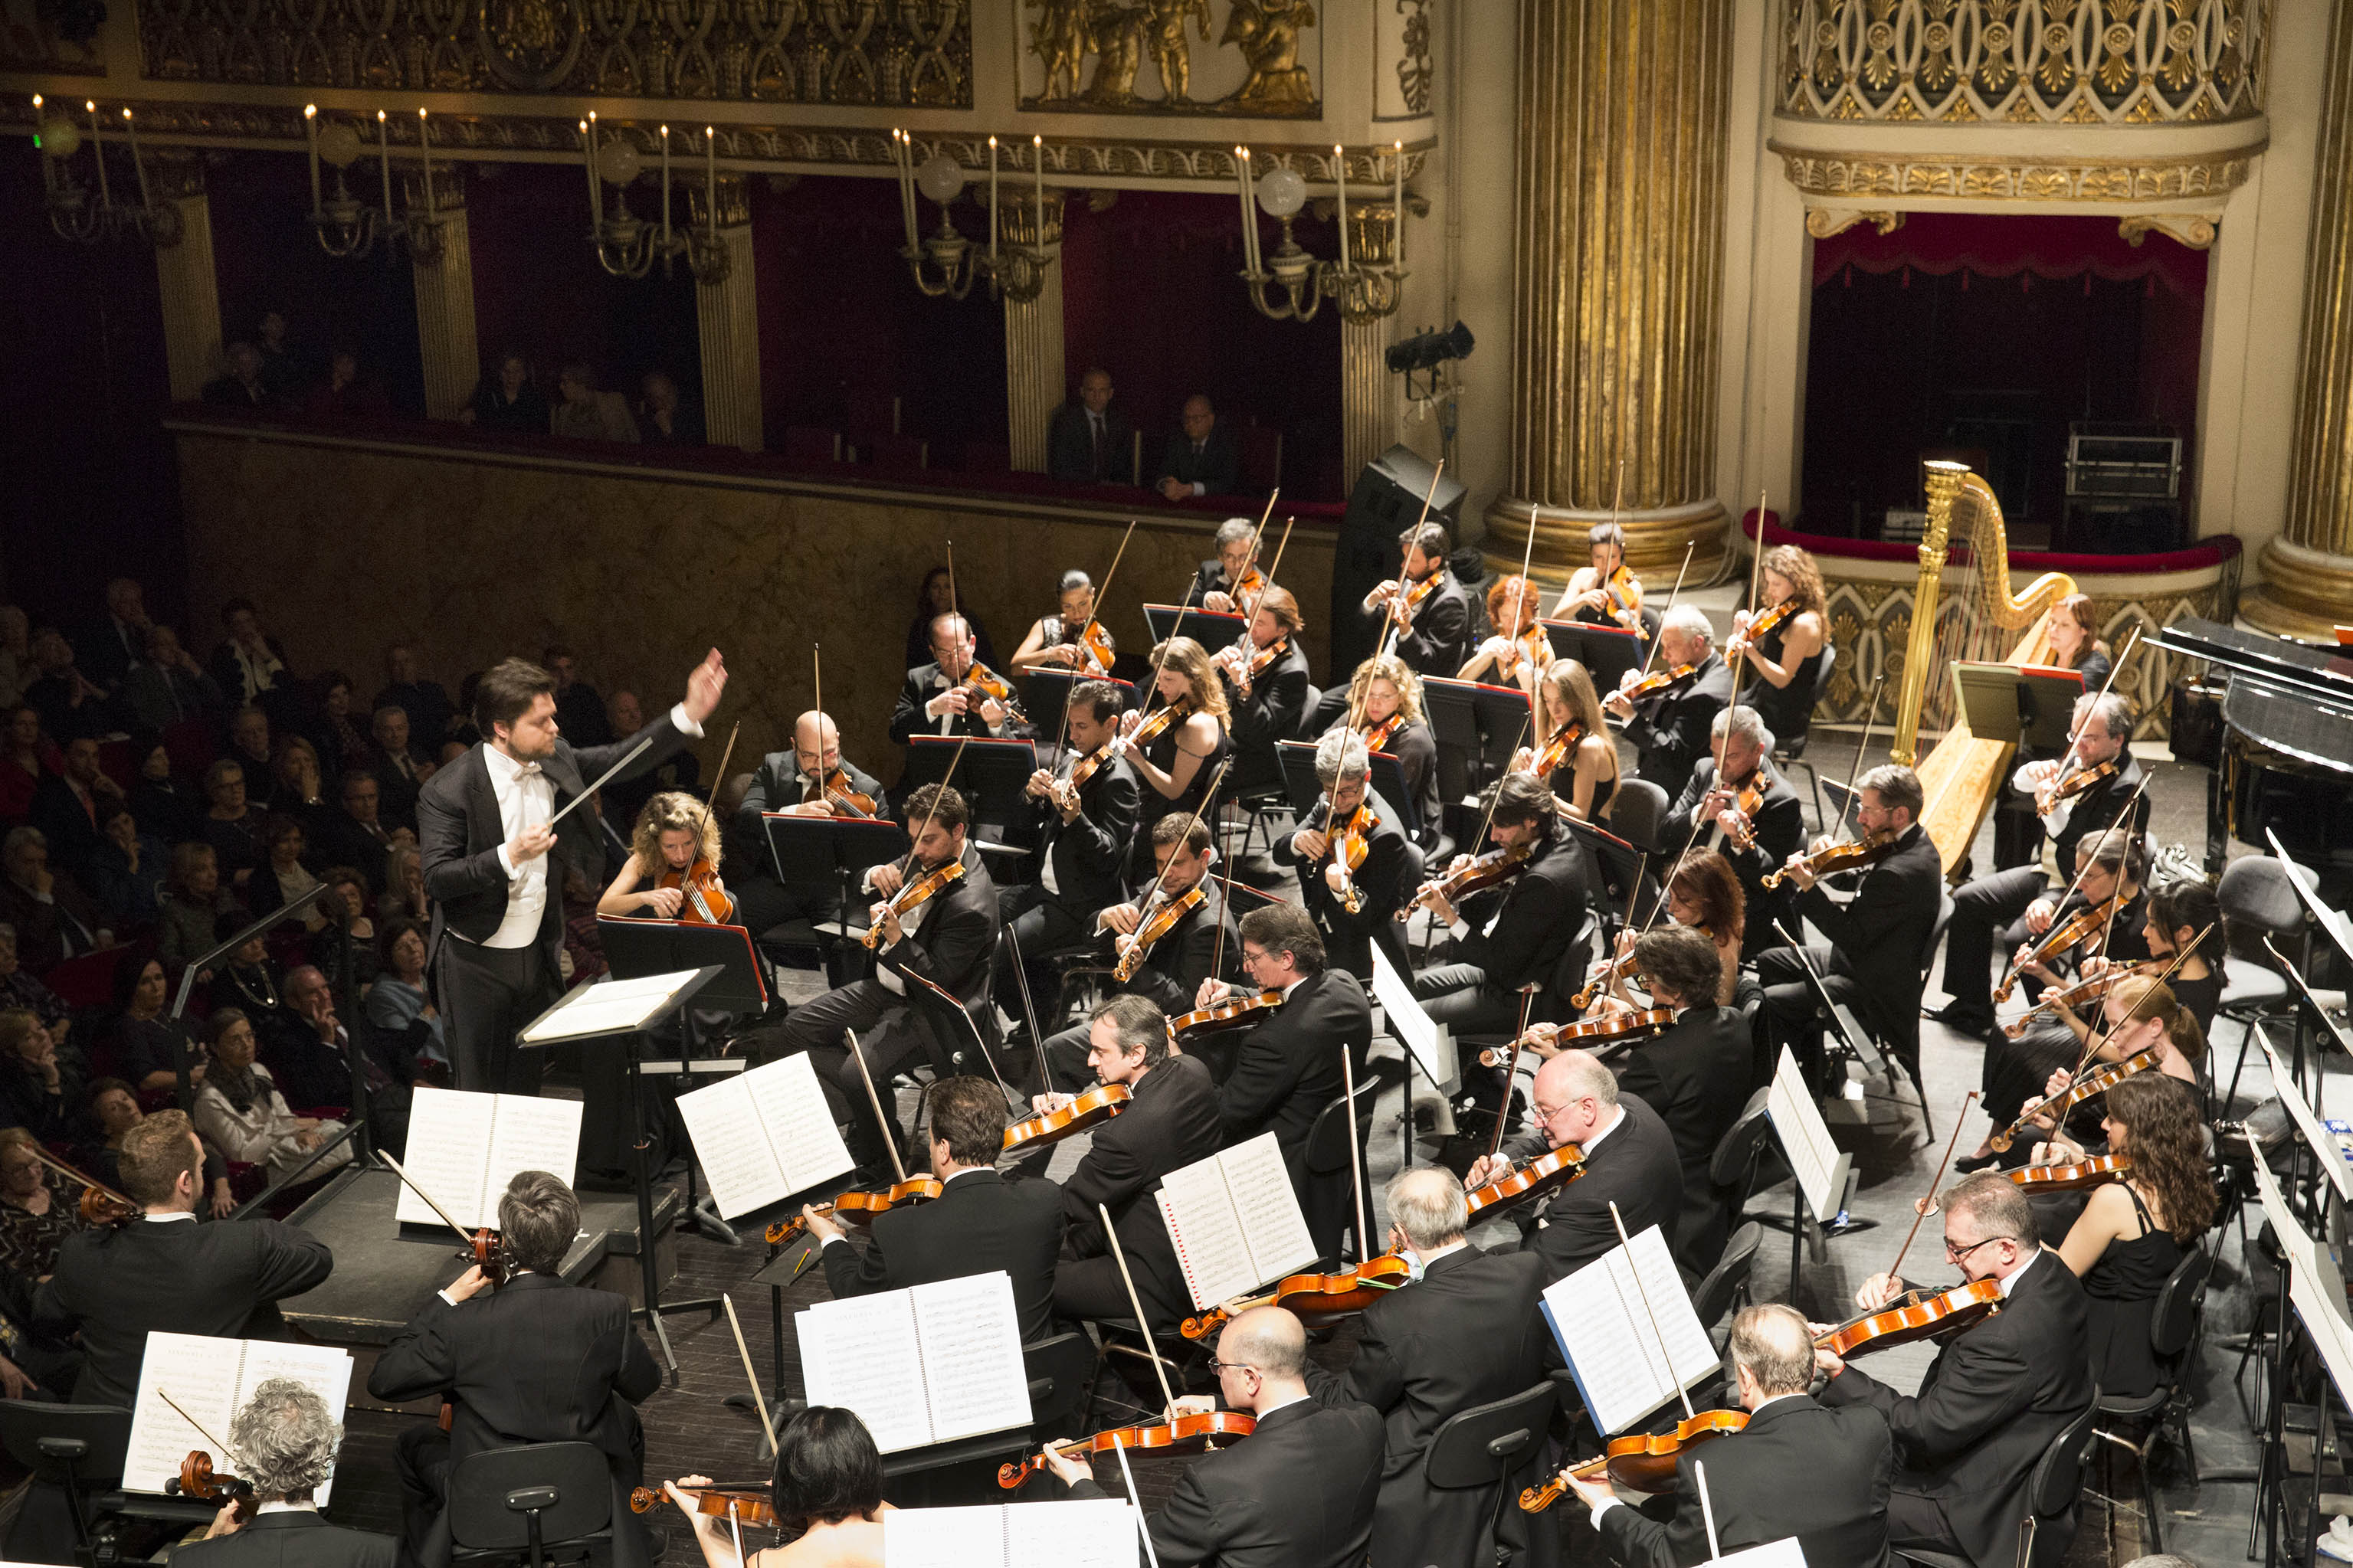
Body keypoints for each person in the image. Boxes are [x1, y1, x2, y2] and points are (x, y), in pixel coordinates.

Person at [419, 650, 723, 1095]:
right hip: (474, 959)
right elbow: (438, 877)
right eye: (541, 721)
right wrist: (510, 855)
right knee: (478, 1089)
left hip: (536, 951)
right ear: (502, 729)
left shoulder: (555, 755)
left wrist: (687, 713)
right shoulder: (448, 790)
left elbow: (621, 758)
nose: (555, 729)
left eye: (553, 717)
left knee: (527, 1080)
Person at [369, 1170, 663, 1568]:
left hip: (490, 1495)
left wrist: (447, 1299)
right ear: (573, 1235)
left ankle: (429, 1554)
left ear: (505, 1241)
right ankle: (635, 1527)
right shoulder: (608, 1310)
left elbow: (385, 1379)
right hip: (580, 1488)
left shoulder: (463, 1324)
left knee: (411, 1446)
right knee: (624, 1419)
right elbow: (645, 1383)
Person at [1815, 1172, 2093, 1566]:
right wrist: (1903, 1294)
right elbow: (1969, 1308)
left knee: (1830, 1503)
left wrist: (1840, 1375)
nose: (1949, 1258)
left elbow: (1927, 1428)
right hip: (2007, 1454)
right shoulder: (2052, 1272)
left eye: (1958, 1248)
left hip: (1974, 1505)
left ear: (2006, 1249)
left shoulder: (2004, 1341)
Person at [1305, 1167, 1549, 1568]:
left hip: (1427, 1471)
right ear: (1462, 1213)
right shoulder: (1526, 1270)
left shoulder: (1394, 1315)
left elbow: (1349, 1404)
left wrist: (1294, 1356)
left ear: (1399, 1234)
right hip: (1514, 1447)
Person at [762, 783, 998, 1175]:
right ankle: (871, 1118)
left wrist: (895, 939)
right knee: (796, 1028)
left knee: (860, 1073)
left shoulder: (971, 903)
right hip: (886, 988)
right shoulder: (927, 857)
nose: (917, 851)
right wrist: (874, 873)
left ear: (959, 832)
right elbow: (871, 877)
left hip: (933, 1013)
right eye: (913, 839)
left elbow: (937, 981)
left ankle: (882, 1156)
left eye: (929, 840)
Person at [36, 1109, 333, 1409]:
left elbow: (46, 1317)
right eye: (202, 1166)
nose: (204, 1173)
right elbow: (317, 1258)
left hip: (113, 1430)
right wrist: (264, 1230)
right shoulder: (239, 1247)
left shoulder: (81, 1253)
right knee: (255, 1312)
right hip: (208, 1422)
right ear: (185, 1182)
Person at [1561, 1302, 1895, 1568]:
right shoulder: (1869, 1428)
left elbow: (1664, 1557)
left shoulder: (1708, 1468)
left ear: (1746, 1379)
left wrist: (1605, 1505)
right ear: (1811, 1369)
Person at [1048, 1305, 1384, 1567]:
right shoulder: (1366, 1424)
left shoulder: (1217, 1480)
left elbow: (1143, 1551)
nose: (1217, 1373)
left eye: (1220, 1366)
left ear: (1251, 1379)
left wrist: (1082, 1483)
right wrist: (1219, 1404)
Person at [1932, 693, 2148, 1036]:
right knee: (1969, 900)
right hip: (2046, 871)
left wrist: (2050, 809)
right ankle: (1971, 1008)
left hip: (2081, 885)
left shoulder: (2128, 789)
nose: (2079, 747)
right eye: (2074, 735)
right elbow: (2019, 785)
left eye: (2089, 739)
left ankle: (2049, 1024)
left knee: (2023, 939)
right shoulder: (2082, 760)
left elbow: (2088, 855)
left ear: (2118, 739)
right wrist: (2031, 772)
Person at [803, 1075, 1064, 1342]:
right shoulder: (1045, 1199)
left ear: (944, 1150)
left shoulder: (898, 1229)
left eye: (930, 1140)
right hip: (1036, 1371)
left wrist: (831, 1238)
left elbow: (854, 1296)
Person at [1958, 830, 2152, 1167]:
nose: (2079, 886)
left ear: (2120, 874)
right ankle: (1999, 1129)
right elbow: (2081, 991)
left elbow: (2110, 1010)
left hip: (2112, 1033)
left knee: (2023, 1049)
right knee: (2005, 1031)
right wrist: (2041, 971)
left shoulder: (2142, 929)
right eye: (2077, 875)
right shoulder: (2087, 906)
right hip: (2081, 1010)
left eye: (2089, 876)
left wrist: (2071, 1000)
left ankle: (2004, 1142)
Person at [1036, 995, 1223, 1332]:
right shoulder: (1193, 1071)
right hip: (1204, 1255)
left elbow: (1069, 1204)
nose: (1091, 1061)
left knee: (1030, 1280)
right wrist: (1078, 1105)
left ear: (1137, 1053)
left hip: (1152, 1280)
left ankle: (1099, 1377)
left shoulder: (1121, 1140)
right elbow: (1147, 1116)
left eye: (1101, 1052)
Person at [1755, 764, 1942, 1094]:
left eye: (1868, 810)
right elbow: (1862, 882)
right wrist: (1826, 861)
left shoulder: (1900, 872)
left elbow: (1849, 935)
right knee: (1772, 960)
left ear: (1899, 814)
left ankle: (1791, 1088)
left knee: (1772, 1002)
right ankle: (1807, 1060)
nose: (1859, 819)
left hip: (1872, 988)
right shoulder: (1913, 841)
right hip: (1870, 959)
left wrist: (1808, 889)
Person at [2031, 1073, 2216, 1399]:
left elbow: (2057, 1273)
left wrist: (2010, 1219)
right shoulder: (2186, 1181)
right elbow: (2120, 1171)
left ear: (2140, 1132)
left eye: (2113, 1119)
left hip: (2099, 1359)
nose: (2103, 1126)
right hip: (2143, 1352)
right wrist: (2077, 1155)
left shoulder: (2115, 1200)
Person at [1025, 813, 1237, 1095]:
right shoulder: (1157, 889)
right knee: (1053, 1051)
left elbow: (1186, 1005)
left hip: (1172, 1035)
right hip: (1135, 1017)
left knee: (1058, 1052)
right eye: (1161, 863)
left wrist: (1141, 971)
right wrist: (1107, 916)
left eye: (1177, 863)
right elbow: (1091, 936)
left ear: (1204, 857)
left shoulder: (1211, 925)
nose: (1167, 874)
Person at [1409, 771, 1590, 1091]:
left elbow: (1499, 964)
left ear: (1532, 820)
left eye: (1501, 826)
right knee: (1415, 989)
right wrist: (1470, 881)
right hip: (1518, 968)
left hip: (1521, 994)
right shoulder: (1562, 841)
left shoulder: (1544, 881)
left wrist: (1449, 915)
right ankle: (1479, 1078)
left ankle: (1474, 1094)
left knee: (1412, 1020)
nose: (1493, 837)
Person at [1463, 1049, 1681, 1286]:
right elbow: (1545, 1143)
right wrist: (1503, 1161)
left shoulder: (1594, 1197)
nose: (1537, 1123)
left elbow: (1537, 1276)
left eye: (1546, 1112)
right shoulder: (1629, 1105)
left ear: (1587, 1109)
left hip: (1590, 1284)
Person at [1191, 904, 1369, 1187]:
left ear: (1286, 959)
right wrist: (1234, 992)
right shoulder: (1345, 984)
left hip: (1283, 1165)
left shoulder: (1273, 1042)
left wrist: (1182, 1064)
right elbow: (1289, 1000)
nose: (1247, 968)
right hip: (1336, 1150)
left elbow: (1224, 1114)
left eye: (1252, 957)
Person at [995, 682, 1138, 1033]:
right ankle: (1038, 1007)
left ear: (1111, 724)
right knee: (974, 922)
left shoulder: (1118, 781)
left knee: (1001, 947)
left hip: (1080, 905)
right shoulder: (1072, 765)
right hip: (1043, 891)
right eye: (1070, 725)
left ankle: (1037, 1014)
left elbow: (1106, 855)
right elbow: (1024, 832)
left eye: (1082, 727)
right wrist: (1030, 796)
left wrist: (1076, 818)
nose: (1073, 735)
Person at [1609, 927, 1754, 1270]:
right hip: (1714, 1181)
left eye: (1648, 982)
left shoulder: (1657, 1061)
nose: (1647, 987)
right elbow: (1680, 1049)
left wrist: (1560, 1057)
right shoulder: (1734, 1022)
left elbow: (1610, 1120)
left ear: (1673, 992)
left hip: (1668, 1191)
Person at [172, 1377, 399, 1566]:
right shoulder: (381, 1555)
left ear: (249, 1459)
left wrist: (211, 1542)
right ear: (324, 1455)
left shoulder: (189, 1560)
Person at [727, 710, 887, 943]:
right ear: (794, 746)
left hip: (836, 890)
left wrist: (868, 841)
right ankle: (761, 982)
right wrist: (793, 812)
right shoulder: (773, 767)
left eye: (829, 753)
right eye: (810, 756)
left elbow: (882, 859)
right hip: (781, 884)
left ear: (838, 741)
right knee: (725, 916)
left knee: (849, 939)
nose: (821, 764)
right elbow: (746, 818)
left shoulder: (867, 789)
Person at [1659, 705, 1803, 959]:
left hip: (1737, 909)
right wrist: (1698, 815)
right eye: (1716, 754)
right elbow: (1665, 833)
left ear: (1758, 749)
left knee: (1672, 952)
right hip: (1688, 893)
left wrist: (1740, 842)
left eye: (1732, 757)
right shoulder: (1705, 771)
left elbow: (1771, 878)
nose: (1721, 767)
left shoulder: (1780, 800)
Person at [664, 1406, 889, 1568]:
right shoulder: (912, 1535)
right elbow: (904, 1517)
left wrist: (703, 1522)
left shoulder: (767, 1563)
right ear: (868, 1469)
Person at [1273, 730, 1411, 978]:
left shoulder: (1387, 836)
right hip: (1320, 926)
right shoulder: (1327, 803)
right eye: (1330, 790)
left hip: (1361, 944)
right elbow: (1279, 854)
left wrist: (1340, 890)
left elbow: (1368, 916)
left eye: (1346, 791)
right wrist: (1297, 840)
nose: (1337, 801)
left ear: (1366, 777)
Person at [1994, 594, 2116, 869]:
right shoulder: (2050, 658)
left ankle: (2037, 865)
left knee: (2020, 792)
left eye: (2063, 625)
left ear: (2084, 630)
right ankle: (2007, 870)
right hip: (2041, 747)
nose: (2053, 630)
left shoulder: (2093, 668)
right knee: (2006, 793)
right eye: (2052, 623)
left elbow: (2071, 726)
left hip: (2072, 755)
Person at [192, 1008, 352, 1181]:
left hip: (284, 1141)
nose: (246, 1045)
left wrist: (300, 1131)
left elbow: (284, 1117)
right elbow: (242, 1153)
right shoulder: (209, 1099)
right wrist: (295, 1131)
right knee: (322, 1148)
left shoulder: (258, 1070)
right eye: (235, 1040)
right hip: (265, 1162)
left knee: (338, 1131)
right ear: (216, 1048)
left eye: (249, 1036)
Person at [1118, 634, 1231, 854]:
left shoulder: (1197, 725)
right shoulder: (1181, 707)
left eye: (1168, 679)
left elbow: (1174, 789)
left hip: (1171, 827)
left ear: (1194, 677)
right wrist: (1133, 729)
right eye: (1159, 679)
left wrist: (1139, 760)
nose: (1160, 687)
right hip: (1155, 807)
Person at [1606, 605, 1733, 793]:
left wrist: (1630, 716)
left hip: (1675, 786)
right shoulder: (1708, 666)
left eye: (1670, 647)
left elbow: (1673, 753)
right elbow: (1665, 706)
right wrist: (1637, 689)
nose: (1665, 656)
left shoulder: (1706, 695)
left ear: (1697, 643)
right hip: (1658, 769)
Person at [1725, 545, 1830, 753]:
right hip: (1766, 696)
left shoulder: (1804, 623)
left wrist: (1751, 653)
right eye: (1768, 582)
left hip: (1783, 711)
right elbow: (1752, 644)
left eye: (1777, 584)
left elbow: (1782, 679)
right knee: (1713, 704)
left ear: (1797, 583)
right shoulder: (1781, 611)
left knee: (1717, 715)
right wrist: (1740, 629)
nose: (1770, 590)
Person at [1323, 653, 1439, 838]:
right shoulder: (1357, 717)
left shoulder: (1415, 739)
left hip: (1404, 826)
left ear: (1401, 697)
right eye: (1369, 694)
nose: (1375, 703)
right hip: (1352, 809)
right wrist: (1329, 742)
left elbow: (1393, 799)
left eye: (1385, 696)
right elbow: (1319, 760)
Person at [83, 1081, 235, 1217]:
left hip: (209, 1209)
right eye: (114, 1108)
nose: (128, 1106)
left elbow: (209, 1156)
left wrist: (222, 1191)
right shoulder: (110, 1161)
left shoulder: (156, 1132)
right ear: (105, 1127)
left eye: (125, 1098)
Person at [1217, 584, 1309, 797]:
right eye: (1251, 618)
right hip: (1229, 735)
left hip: (1256, 757)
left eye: (1259, 623)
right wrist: (1216, 663)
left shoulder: (1293, 672)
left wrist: (1245, 692)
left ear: (1283, 629)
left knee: (1200, 775)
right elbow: (1220, 689)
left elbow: (1263, 731)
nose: (1250, 629)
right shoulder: (1247, 641)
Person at [1361, 522, 1473, 679]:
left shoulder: (1451, 603)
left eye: (1412, 560)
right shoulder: (1411, 580)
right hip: (1378, 674)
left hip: (1409, 687)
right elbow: (1366, 631)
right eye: (1404, 557)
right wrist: (1372, 601)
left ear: (1434, 562)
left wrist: (1405, 629)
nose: (1403, 565)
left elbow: (1432, 665)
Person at [597, 790, 729, 922]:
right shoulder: (642, 861)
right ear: (654, 842)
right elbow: (603, 908)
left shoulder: (710, 879)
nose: (680, 855)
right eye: (670, 846)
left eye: (688, 843)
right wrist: (644, 897)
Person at [1515, 657, 1618, 823]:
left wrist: (1541, 792)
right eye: (1548, 701)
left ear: (1579, 698)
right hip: (1560, 831)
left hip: (1586, 841)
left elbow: (1580, 815)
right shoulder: (1562, 731)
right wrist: (1520, 762)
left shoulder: (1589, 746)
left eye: (1561, 701)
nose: (1554, 710)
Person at [890, 613, 1011, 743]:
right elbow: (897, 734)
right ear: (933, 651)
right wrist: (932, 708)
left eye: (959, 650)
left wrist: (996, 725)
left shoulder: (1002, 689)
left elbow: (1017, 754)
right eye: (944, 652)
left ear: (972, 644)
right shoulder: (917, 679)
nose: (953, 660)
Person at [0, 825, 109, 971]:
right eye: (28, 862)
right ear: (10, 860)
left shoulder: (58, 877)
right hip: (54, 968)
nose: (37, 869)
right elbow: (31, 940)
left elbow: (96, 908)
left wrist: (104, 931)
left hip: (95, 952)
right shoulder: (6, 896)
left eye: (41, 862)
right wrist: (44, 896)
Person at [31, 735, 123, 879]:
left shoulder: (100, 794)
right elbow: (55, 850)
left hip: (108, 868)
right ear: (66, 760)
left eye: (95, 756)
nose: (91, 763)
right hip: (77, 876)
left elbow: (125, 826)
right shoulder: (50, 797)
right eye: (82, 755)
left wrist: (117, 792)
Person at [0, 1127, 87, 1281]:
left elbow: (98, 1226)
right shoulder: (5, 1220)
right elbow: (31, 1279)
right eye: (18, 1169)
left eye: (33, 1162)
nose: (32, 1173)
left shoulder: (59, 1183)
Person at [366, 918, 446, 1073]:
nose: (412, 949)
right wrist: (430, 1007)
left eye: (415, 941)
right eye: (401, 947)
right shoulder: (383, 994)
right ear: (389, 956)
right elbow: (404, 1048)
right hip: (426, 1074)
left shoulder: (428, 978)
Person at [0, 1007, 87, 1141]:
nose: (43, 1036)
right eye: (28, 1037)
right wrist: (52, 1080)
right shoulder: (12, 1088)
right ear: (11, 1052)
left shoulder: (70, 1054)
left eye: (40, 1028)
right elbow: (49, 1133)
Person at [1457, 573, 1549, 696]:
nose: (1511, 623)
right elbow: (1459, 684)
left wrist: (1529, 681)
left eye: (1519, 616)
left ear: (1530, 614)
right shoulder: (1494, 644)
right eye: (1505, 615)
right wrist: (1486, 655)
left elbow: (1543, 705)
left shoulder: (1542, 646)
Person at [1008, 569, 1116, 675]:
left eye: (1082, 604)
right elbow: (1015, 668)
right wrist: (1049, 654)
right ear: (1059, 602)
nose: (1077, 613)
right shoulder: (1046, 625)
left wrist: (1090, 678)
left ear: (1092, 594)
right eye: (1068, 606)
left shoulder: (1104, 641)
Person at [119, 624, 223, 731]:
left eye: (174, 643)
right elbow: (139, 715)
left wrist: (193, 667)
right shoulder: (141, 676)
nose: (173, 649)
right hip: (164, 738)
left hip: (194, 734)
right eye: (165, 644)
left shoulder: (186, 671)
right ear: (151, 652)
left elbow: (216, 697)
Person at [1047, 366, 1136, 486]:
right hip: (1076, 492)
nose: (1097, 396)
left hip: (1113, 494)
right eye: (1091, 390)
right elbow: (1060, 468)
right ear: (1082, 392)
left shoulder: (1119, 422)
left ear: (1110, 393)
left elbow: (1125, 467)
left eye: (1102, 391)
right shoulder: (1066, 422)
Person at [900, 567, 998, 675]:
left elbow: (986, 657)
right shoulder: (920, 625)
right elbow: (914, 663)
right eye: (936, 587)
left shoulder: (969, 620)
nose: (941, 592)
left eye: (947, 587)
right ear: (928, 592)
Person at [1552, 521, 1644, 629]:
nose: (1605, 564)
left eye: (1612, 557)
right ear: (1591, 553)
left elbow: (1637, 637)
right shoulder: (1582, 576)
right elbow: (1554, 620)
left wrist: (1627, 624)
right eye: (1599, 557)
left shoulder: (1633, 587)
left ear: (1622, 551)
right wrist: (1581, 600)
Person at [87, 804, 165, 928]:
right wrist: (132, 866)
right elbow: (118, 906)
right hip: (142, 925)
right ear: (105, 833)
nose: (125, 830)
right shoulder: (101, 862)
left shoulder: (151, 843)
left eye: (126, 821)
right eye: (115, 827)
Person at [1155, 393, 1241, 500]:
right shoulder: (1177, 440)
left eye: (1196, 419)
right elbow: (1161, 474)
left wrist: (1192, 489)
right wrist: (1166, 485)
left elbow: (1227, 483)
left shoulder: (1226, 442)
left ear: (1211, 419)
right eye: (1187, 418)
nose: (1190, 423)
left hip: (1216, 507)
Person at [208, 602, 290, 712]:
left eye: (248, 621)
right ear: (231, 628)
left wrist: (265, 653)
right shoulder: (224, 653)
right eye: (238, 623)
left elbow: (286, 682)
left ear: (255, 622)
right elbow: (222, 691)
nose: (245, 627)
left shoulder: (271, 645)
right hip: (242, 711)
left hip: (275, 706)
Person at [375, 645, 455, 757]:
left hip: (448, 739)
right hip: (419, 750)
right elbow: (410, 732)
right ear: (390, 669)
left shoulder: (433, 689)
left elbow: (451, 714)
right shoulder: (386, 699)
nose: (403, 668)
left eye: (406, 662)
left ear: (414, 664)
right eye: (397, 664)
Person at [77, 578, 151, 695]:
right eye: (128, 602)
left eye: (137, 602)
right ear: (113, 604)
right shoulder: (98, 631)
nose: (135, 608)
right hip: (118, 691)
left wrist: (149, 631)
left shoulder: (143, 629)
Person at [460, 350, 549, 432]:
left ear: (524, 375)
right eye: (506, 371)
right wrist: (469, 413)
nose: (511, 376)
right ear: (499, 373)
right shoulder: (487, 396)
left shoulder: (535, 400)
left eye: (516, 371)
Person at [1188, 516, 1263, 612]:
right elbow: (1183, 603)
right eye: (1230, 556)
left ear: (1255, 556)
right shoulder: (1207, 570)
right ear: (1220, 557)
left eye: (1243, 557)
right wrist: (1206, 599)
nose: (1237, 565)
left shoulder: (1267, 589)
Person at [202, 342, 280, 410]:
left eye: (252, 363)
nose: (249, 368)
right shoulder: (225, 391)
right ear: (234, 367)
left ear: (259, 365)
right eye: (243, 364)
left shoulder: (267, 388)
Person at [637, 370, 705, 446]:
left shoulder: (694, 414)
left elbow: (689, 452)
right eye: (658, 399)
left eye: (668, 395)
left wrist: (668, 431)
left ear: (675, 390)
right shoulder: (650, 422)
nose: (665, 401)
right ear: (651, 403)